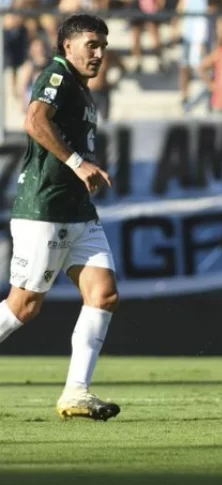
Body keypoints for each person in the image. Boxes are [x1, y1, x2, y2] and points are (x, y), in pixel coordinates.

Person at [0, 14, 120, 421]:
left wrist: (84, 167)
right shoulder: (57, 76)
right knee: (23, 307)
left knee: (103, 294)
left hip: (78, 211)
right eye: (91, 45)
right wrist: (77, 163)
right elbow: (34, 120)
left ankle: (76, 393)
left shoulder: (82, 89)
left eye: (103, 46)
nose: (99, 53)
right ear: (67, 46)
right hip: (45, 209)